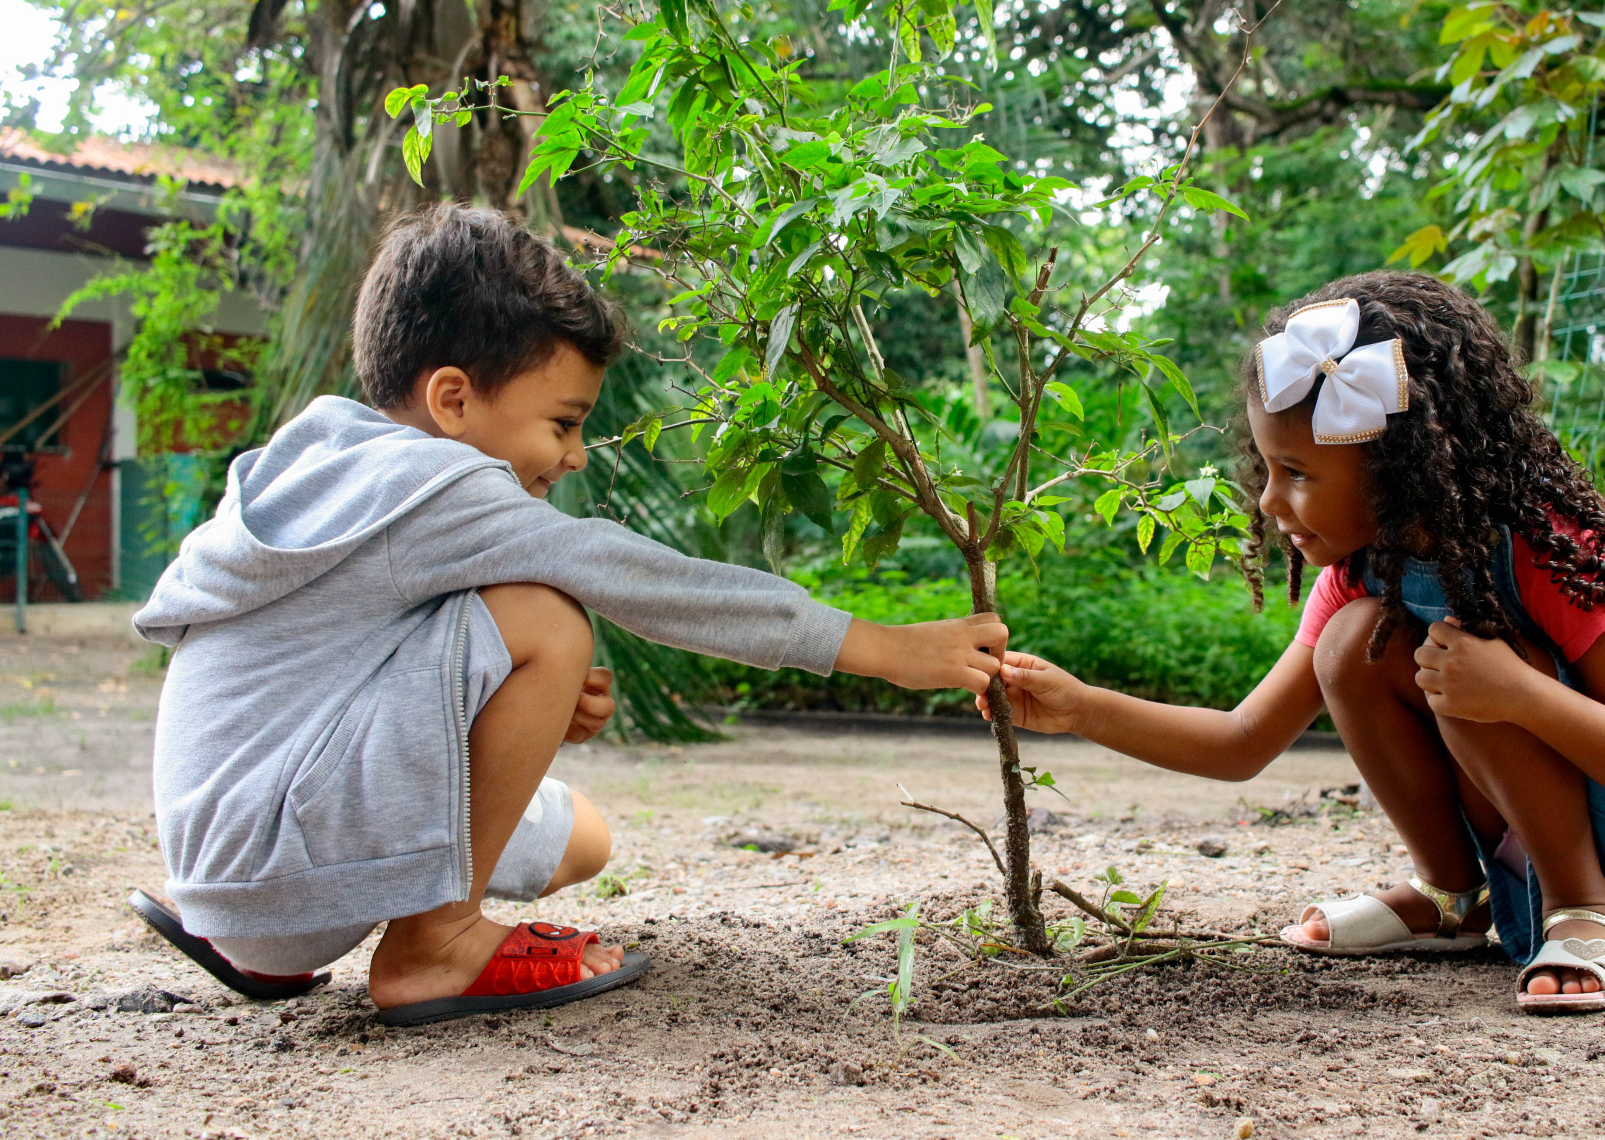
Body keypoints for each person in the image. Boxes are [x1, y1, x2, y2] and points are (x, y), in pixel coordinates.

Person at [131, 204, 1006, 1026]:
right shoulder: (439, 480)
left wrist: (507, 701)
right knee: (550, 619)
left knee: (583, 839)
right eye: (563, 422)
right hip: (280, 863)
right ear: (453, 400)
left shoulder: (326, 461)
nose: (575, 455)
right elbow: (638, 578)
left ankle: (297, 947)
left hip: (232, 881)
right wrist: (889, 648)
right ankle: (434, 946)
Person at [983, 271, 1605, 1013]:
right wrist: (1079, 709)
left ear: (1400, 469)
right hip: (1523, 812)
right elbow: (1242, 741)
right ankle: (1454, 897)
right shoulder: (1364, 570)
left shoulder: (1544, 540)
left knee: (1466, 656)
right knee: (1352, 644)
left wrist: (1520, 692)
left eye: (1298, 472)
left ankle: (1586, 908)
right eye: (1267, 468)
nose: (1270, 501)